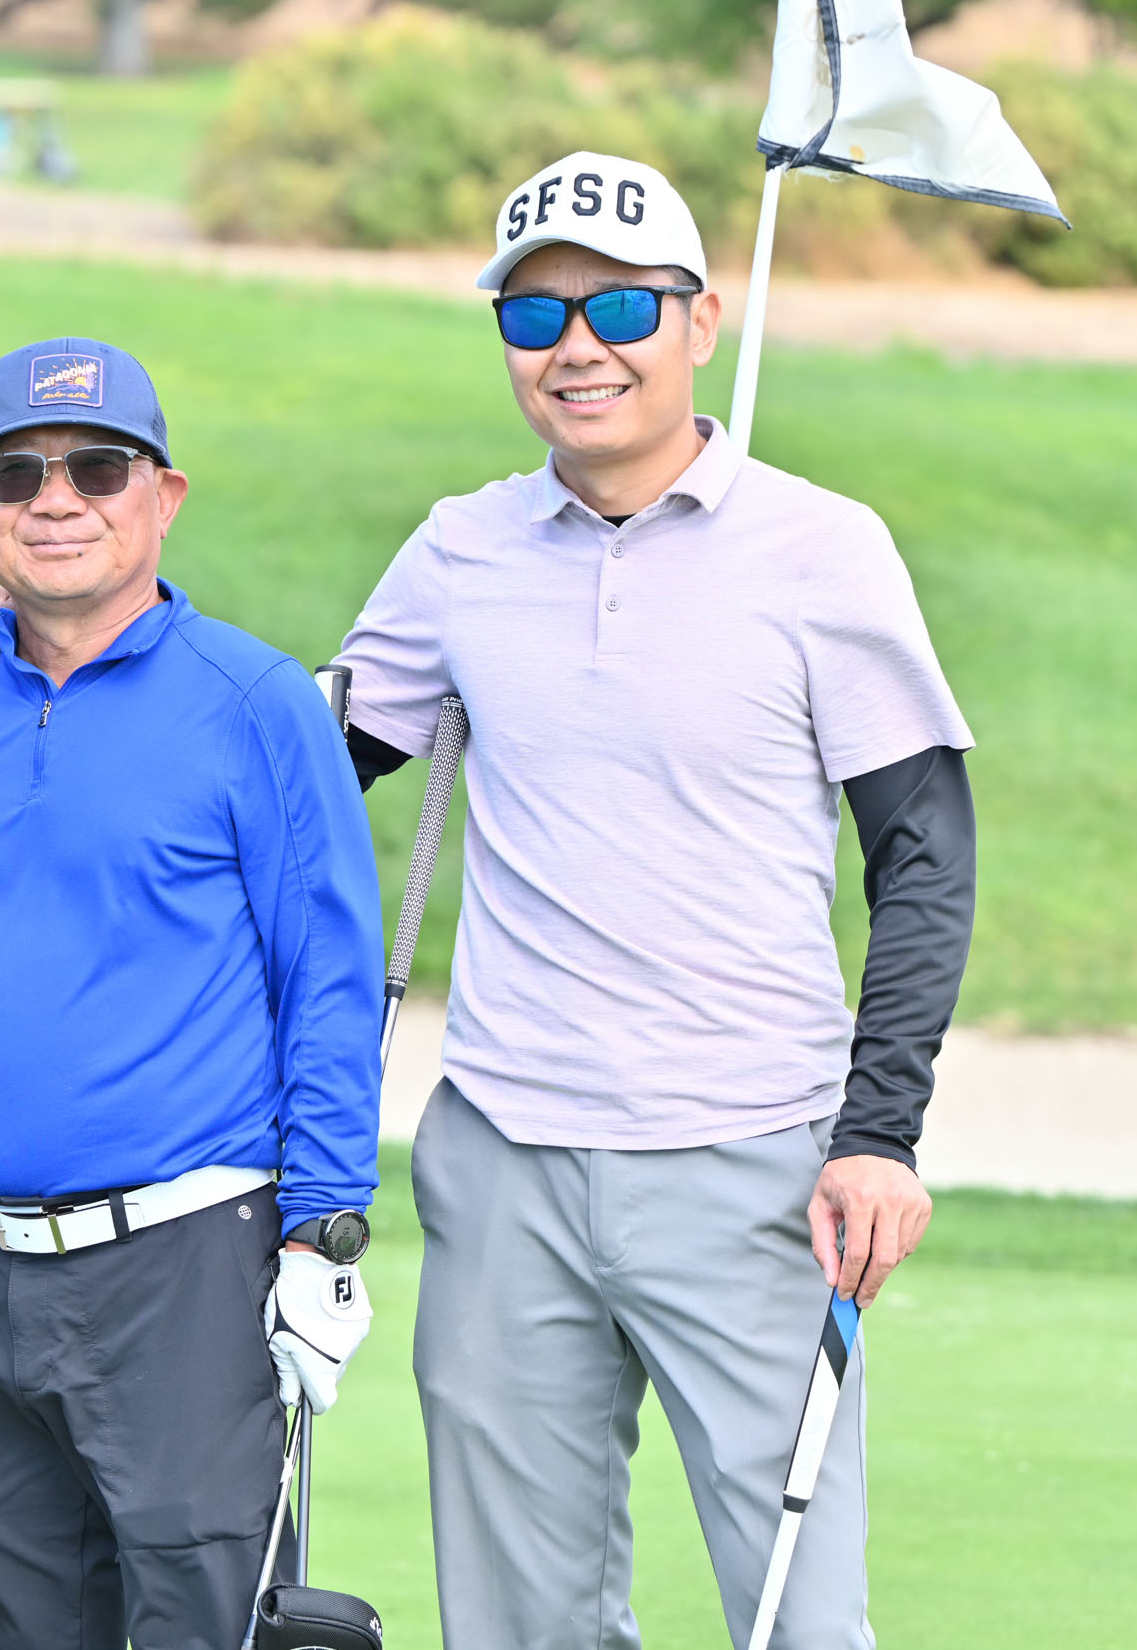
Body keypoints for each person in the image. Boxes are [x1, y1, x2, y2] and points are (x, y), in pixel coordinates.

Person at [340, 151, 976, 1648]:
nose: (579, 346)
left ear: (700, 321)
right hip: (505, 1162)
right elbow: (296, 762)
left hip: (753, 1167)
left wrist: (879, 1134)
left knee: (801, 1623)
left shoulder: (823, 549)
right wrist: (63, 632)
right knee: (521, 1627)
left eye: (621, 306)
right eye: (535, 314)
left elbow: (924, 857)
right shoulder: (462, 550)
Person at [0, 337, 387, 1650]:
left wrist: (324, 1234)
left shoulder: (256, 703)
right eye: (16, 473)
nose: (57, 499)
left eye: (98, 468)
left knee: (202, 1624)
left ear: (164, 496)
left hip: (185, 1269)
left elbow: (327, 979)